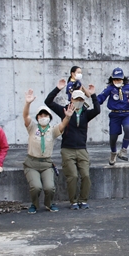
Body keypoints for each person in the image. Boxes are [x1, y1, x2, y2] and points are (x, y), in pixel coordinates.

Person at [45, 79, 100, 210]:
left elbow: (97, 110)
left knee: (86, 175)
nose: (79, 102)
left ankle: (83, 200)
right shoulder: (64, 110)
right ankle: (73, 201)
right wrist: (57, 89)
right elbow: (48, 102)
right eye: (76, 99)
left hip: (82, 149)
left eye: (81, 100)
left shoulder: (86, 113)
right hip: (67, 149)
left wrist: (92, 95)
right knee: (73, 176)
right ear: (71, 100)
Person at [24, 89, 74, 213]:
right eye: (40, 115)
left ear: (49, 117)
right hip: (32, 163)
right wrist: (28, 103)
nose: (43, 117)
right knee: (36, 187)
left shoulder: (52, 130)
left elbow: (62, 125)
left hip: (46, 163)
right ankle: (34, 205)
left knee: (50, 187)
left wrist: (67, 117)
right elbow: (25, 116)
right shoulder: (32, 127)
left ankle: (49, 203)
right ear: (37, 117)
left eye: (45, 115)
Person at [97, 67, 129, 165]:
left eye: (119, 79)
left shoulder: (128, 87)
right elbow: (101, 97)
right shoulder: (110, 88)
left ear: (123, 79)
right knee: (113, 137)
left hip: (126, 113)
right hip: (115, 115)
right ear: (112, 79)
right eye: (115, 79)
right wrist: (94, 99)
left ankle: (123, 150)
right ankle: (113, 152)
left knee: (128, 129)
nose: (117, 81)